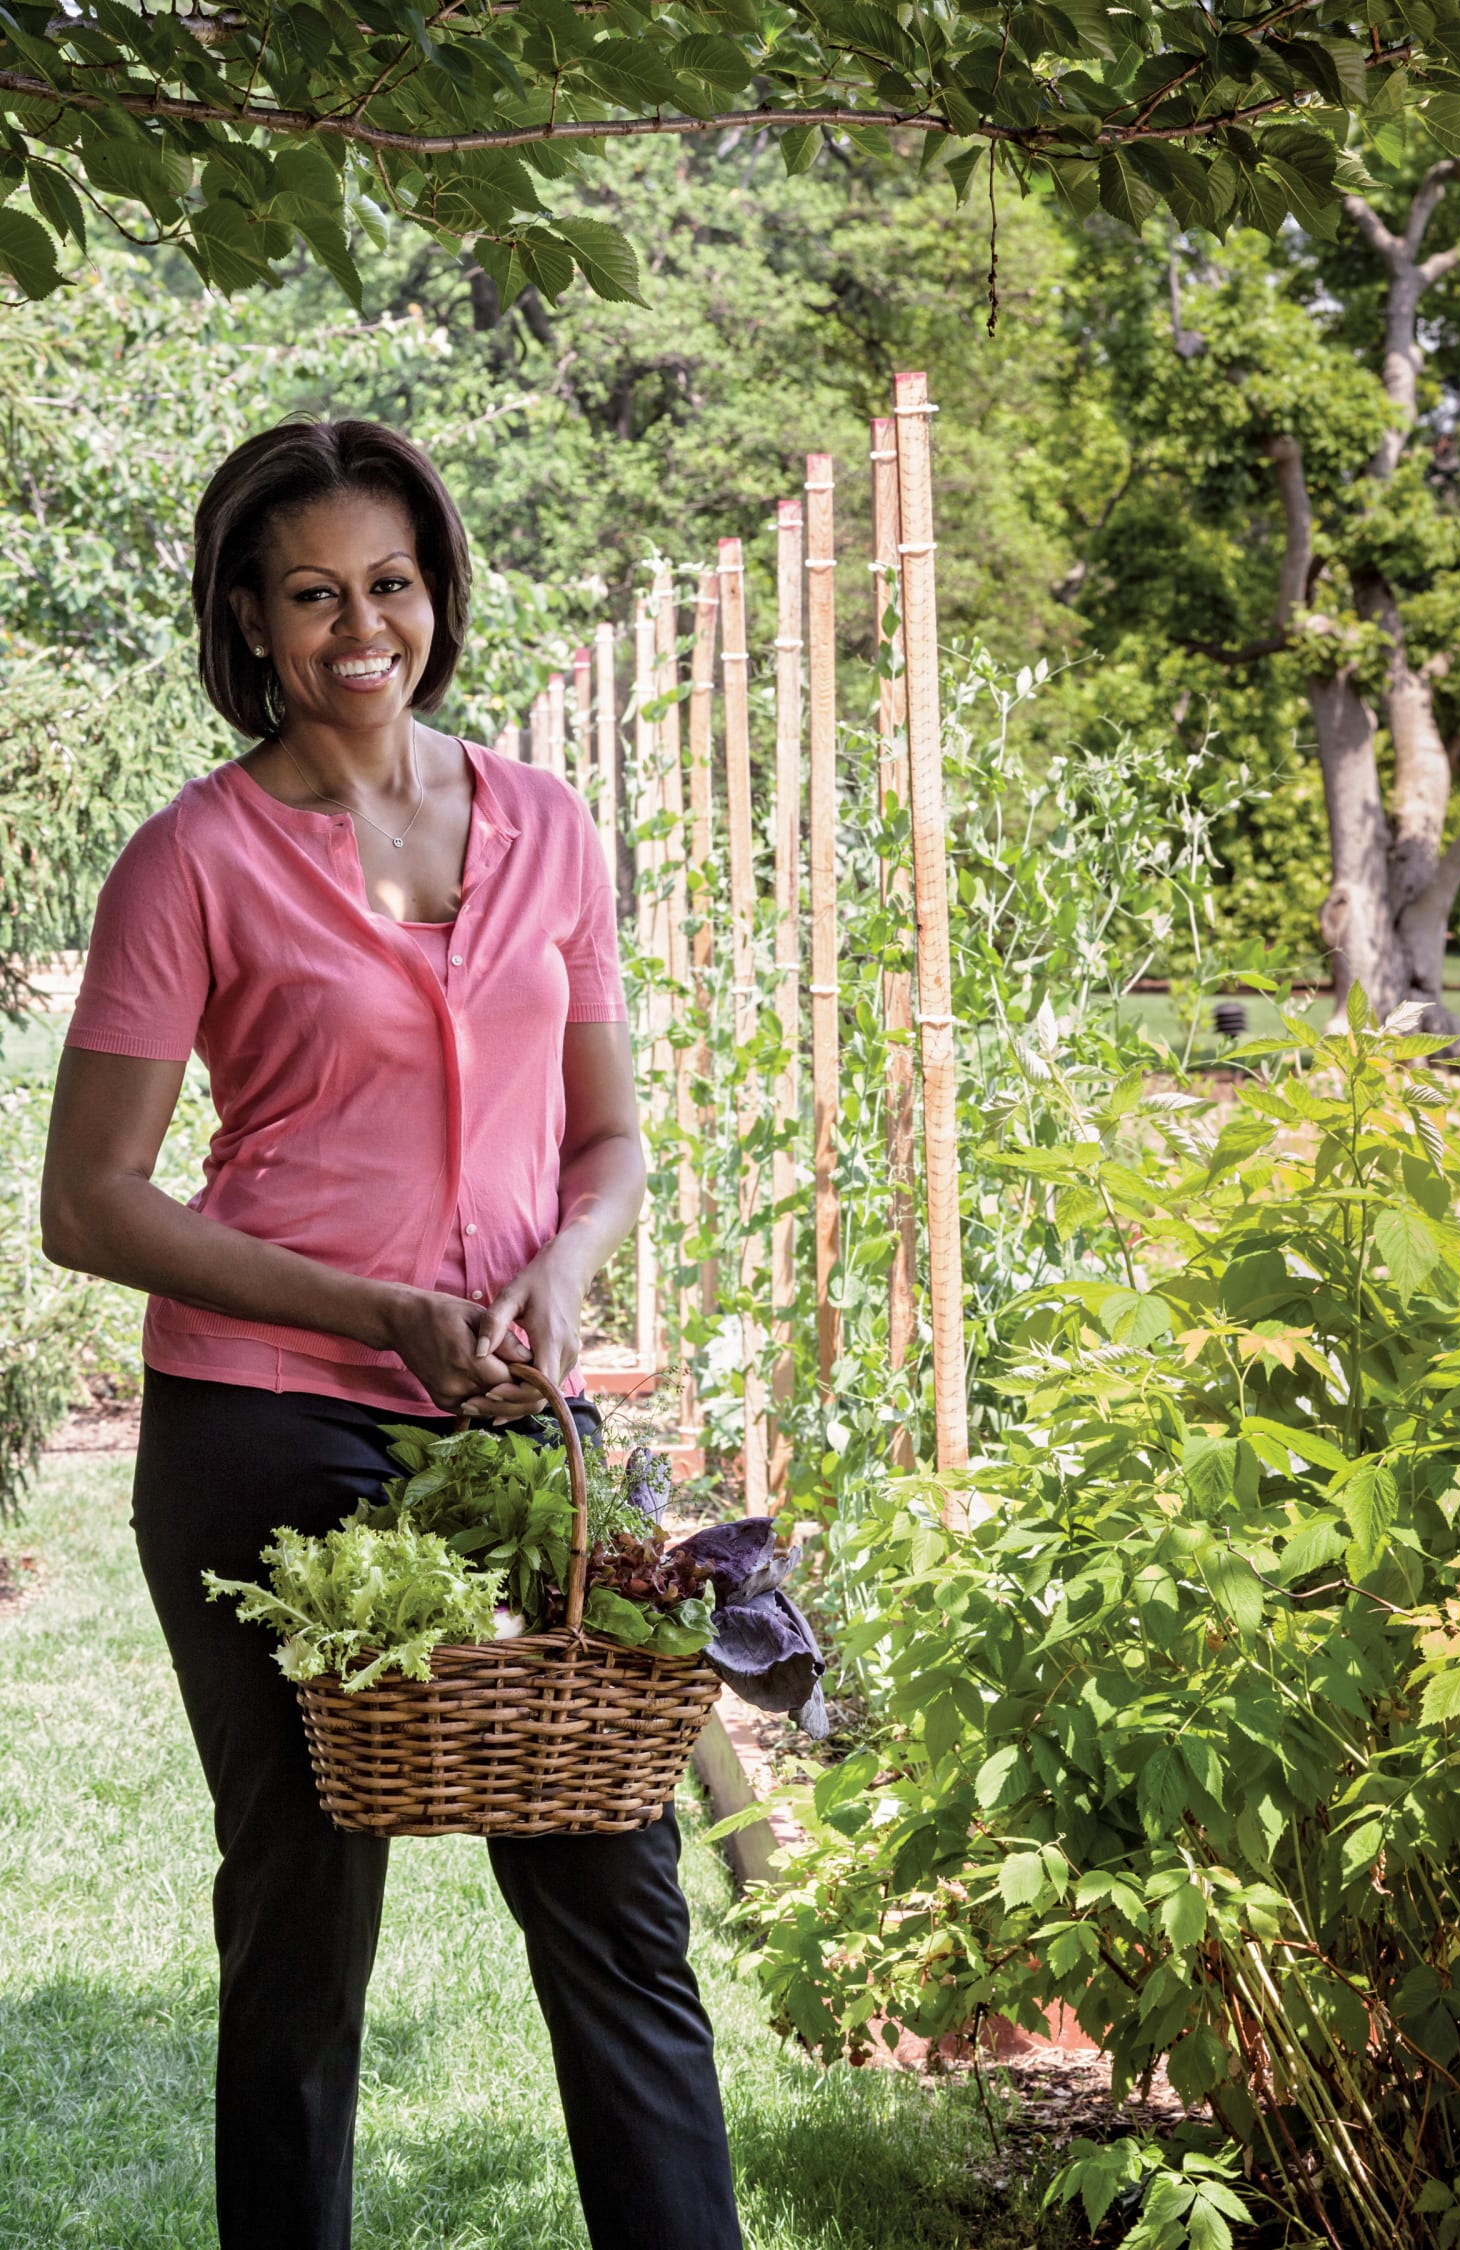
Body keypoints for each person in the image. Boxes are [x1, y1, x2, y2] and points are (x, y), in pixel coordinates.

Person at [41, 417, 744, 2250]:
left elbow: (604, 1138)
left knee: (611, 1882)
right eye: (313, 593)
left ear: (435, 592)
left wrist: (564, 1273)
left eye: (393, 582)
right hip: (266, 1421)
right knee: (304, 1905)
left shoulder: (550, 828)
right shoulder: (190, 859)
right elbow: (92, 1198)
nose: (363, 626)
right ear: (253, 622)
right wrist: (378, 1312)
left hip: (512, 1411)